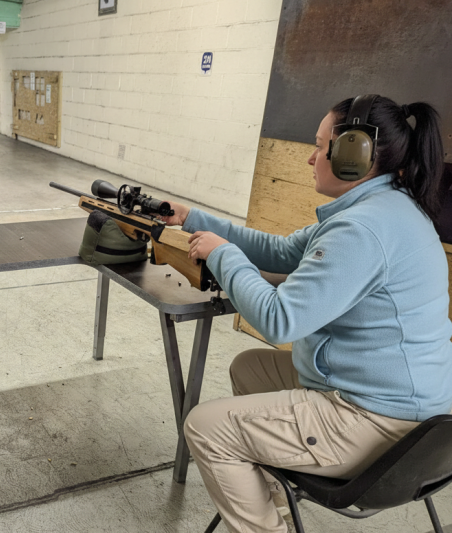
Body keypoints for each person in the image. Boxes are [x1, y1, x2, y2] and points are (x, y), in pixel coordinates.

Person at [160, 96, 452, 533]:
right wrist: (192, 218)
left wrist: (224, 256)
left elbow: (281, 320)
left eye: (321, 147)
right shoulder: (381, 207)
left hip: (381, 425)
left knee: (204, 427)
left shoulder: (362, 230)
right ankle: (272, 499)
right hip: (412, 415)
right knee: (251, 368)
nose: (312, 159)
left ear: (356, 155)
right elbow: (281, 252)